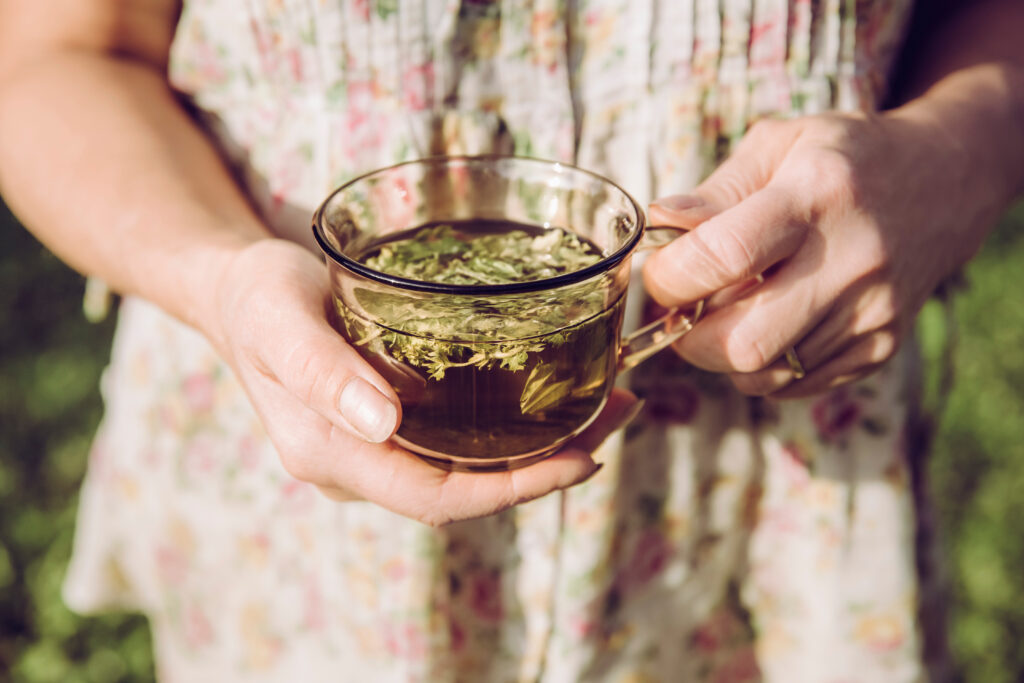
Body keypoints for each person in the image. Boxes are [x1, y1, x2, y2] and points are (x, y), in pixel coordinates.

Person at [0, 0, 1021, 680]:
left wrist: (962, 146)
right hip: (304, 479)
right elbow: (50, 54)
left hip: (768, 480)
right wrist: (218, 277)